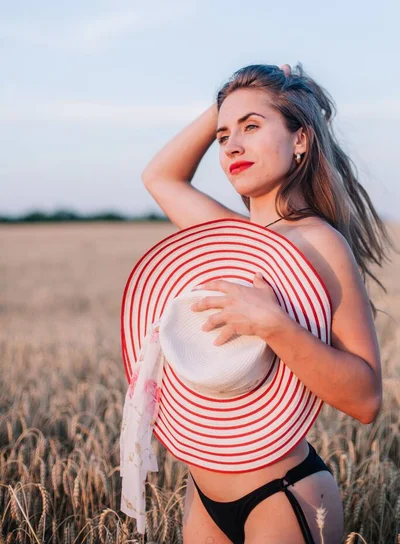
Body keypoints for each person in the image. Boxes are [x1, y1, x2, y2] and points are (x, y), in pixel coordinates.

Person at [140, 63, 393, 543]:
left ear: (300, 139)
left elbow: (365, 399)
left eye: (252, 127)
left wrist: (274, 326)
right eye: (222, 136)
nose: (232, 145)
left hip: (281, 496)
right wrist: (231, 100)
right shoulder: (230, 237)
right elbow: (160, 177)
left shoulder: (319, 241)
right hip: (205, 493)